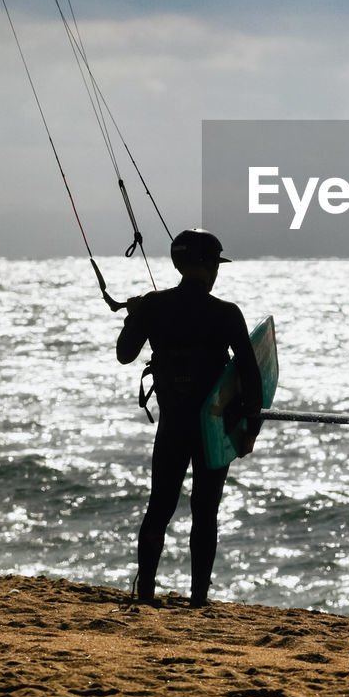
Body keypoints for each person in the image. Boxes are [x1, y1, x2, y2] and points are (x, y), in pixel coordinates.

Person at [116, 228, 262, 607]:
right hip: (212, 427)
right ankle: (199, 599)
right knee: (205, 510)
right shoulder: (226, 314)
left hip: (174, 425)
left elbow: (124, 354)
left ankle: (145, 593)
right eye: (215, 264)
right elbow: (251, 375)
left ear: (179, 264)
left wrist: (134, 318)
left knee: (159, 508)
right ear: (209, 266)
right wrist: (250, 429)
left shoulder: (152, 306)